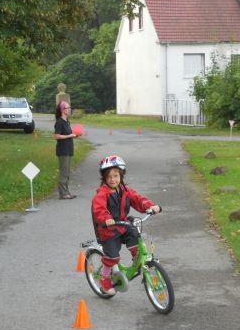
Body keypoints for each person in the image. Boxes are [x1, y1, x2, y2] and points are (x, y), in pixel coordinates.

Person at [91, 155, 161, 296]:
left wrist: (150, 206)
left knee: (134, 234)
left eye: (116, 176)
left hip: (122, 224)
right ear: (104, 178)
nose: (113, 179)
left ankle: (137, 258)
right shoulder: (102, 194)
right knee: (112, 257)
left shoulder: (124, 190)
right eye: (109, 176)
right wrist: (106, 219)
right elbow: (99, 210)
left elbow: (138, 199)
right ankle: (104, 278)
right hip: (108, 229)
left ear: (121, 176)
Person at [54, 101, 81, 199]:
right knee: (63, 172)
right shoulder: (59, 122)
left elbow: (68, 136)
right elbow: (56, 136)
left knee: (67, 172)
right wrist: (69, 135)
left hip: (69, 150)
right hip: (63, 151)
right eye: (68, 108)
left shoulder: (66, 122)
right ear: (63, 110)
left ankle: (66, 192)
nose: (70, 109)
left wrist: (75, 135)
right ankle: (63, 194)